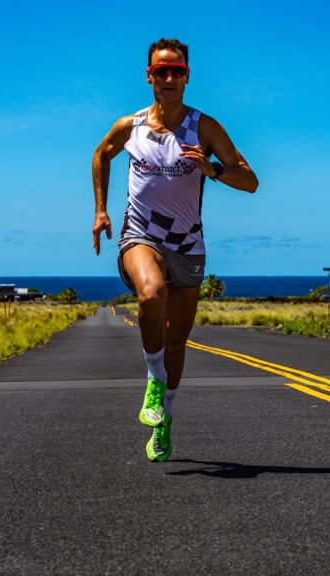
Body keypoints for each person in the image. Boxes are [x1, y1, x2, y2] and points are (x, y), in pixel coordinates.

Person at [91, 38, 258, 461]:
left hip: (188, 245)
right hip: (141, 236)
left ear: (187, 76)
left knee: (177, 340)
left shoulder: (205, 128)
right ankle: (152, 380)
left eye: (177, 71)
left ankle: (163, 417)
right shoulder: (130, 127)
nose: (169, 78)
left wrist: (212, 169)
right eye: (161, 71)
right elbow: (101, 155)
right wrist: (100, 211)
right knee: (150, 294)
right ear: (148, 75)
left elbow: (250, 180)